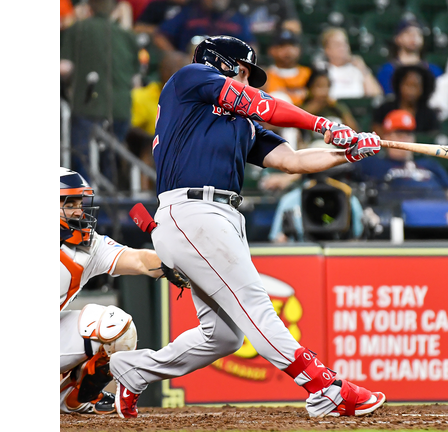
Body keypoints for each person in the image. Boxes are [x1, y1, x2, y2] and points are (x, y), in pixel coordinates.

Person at [106, 35, 385, 419]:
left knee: (222, 336)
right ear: (220, 63)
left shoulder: (241, 123)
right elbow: (261, 104)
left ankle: (135, 370)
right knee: (254, 304)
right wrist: (322, 123)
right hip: (192, 211)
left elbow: (292, 161)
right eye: (243, 72)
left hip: (218, 217)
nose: (248, 82)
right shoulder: (191, 79)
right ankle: (325, 388)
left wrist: (347, 152)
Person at [59, 167, 191, 415]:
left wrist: (171, 263)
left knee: (116, 327)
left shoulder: (88, 245)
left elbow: (139, 260)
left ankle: (72, 400)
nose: (78, 211)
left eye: (80, 202)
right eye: (69, 203)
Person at [60, 0, 140, 184]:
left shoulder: (78, 29)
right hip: (120, 110)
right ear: (114, 9)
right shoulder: (128, 35)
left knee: (83, 160)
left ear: (88, 7)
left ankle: (86, 200)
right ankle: (110, 200)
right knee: (110, 160)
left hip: (87, 107)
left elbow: (64, 68)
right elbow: (136, 81)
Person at [354, 110, 448, 202]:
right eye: (399, 134)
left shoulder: (429, 164)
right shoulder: (374, 164)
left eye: (408, 134)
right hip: (397, 218)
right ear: (386, 137)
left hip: (435, 216)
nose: (405, 139)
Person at [130, 50, 189, 190]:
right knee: (151, 148)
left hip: (185, 150)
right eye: (170, 68)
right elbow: (130, 129)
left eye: (179, 69)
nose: (173, 72)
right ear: (161, 70)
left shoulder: (194, 99)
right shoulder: (142, 96)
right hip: (153, 148)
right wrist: (156, 138)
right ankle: (145, 196)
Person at [153, 0, 253, 54]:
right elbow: (160, 36)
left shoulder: (237, 17)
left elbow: (251, 44)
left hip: (228, 68)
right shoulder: (189, 12)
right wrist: (175, 55)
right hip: (191, 64)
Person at [375, 18, 443, 96]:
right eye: (408, 33)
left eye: (418, 34)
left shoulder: (434, 70)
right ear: (398, 38)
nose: (413, 37)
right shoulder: (387, 70)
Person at [372, 64, 440, 136]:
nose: (411, 91)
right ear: (399, 85)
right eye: (407, 85)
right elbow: (376, 133)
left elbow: (432, 138)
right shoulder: (385, 109)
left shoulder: (429, 115)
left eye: (415, 86)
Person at [318, 27, 383, 100]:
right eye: (337, 44)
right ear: (327, 50)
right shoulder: (321, 69)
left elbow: (375, 96)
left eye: (344, 44)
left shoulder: (357, 69)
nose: (342, 48)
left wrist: (363, 69)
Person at [263, 29, 312, 105]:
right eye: (282, 46)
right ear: (271, 50)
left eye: (292, 45)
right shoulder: (264, 76)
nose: (288, 50)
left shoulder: (309, 74)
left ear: (299, 49)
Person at [234, 0, 302, 41]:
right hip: (245, 44)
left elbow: (295, 27)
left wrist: (278, 25)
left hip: (274, 45)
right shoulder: (238, 2)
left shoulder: (280, 2)